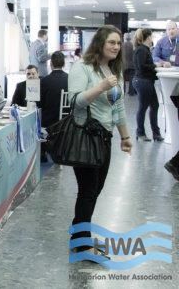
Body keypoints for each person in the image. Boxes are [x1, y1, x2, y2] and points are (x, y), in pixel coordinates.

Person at [68, 25, 132, 257]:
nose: (116, 47)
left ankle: (79, 236)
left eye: (118, 43)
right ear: (100, 43)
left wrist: (125, 136)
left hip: (105, 138)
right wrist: (101, 87)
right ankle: (82, 243)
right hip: (85, 137)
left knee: (95, 189)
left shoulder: (113, 70)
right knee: (87, 190)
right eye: (111, 42)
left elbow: (118, 107)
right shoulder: (82, 67)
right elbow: (75, 102)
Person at [132, 28, 163, 142]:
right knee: (143, 107)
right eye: (151, 36)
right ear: (148, 37)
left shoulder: (144, 49)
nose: (152, 38)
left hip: (146, 81)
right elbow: (141, 67)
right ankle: (140, 133)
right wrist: (156, 66)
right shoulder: (141, 50)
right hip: (142, 81)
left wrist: (155, 66)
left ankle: (156, 134)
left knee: (154, 106)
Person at [40, 52, 69, 162]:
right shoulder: (70, 79)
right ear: (64, 64)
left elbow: (39, 103)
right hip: (65, 120)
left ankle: (42, 151)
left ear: (51, 64)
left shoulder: (44, 81)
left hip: (48, 121)